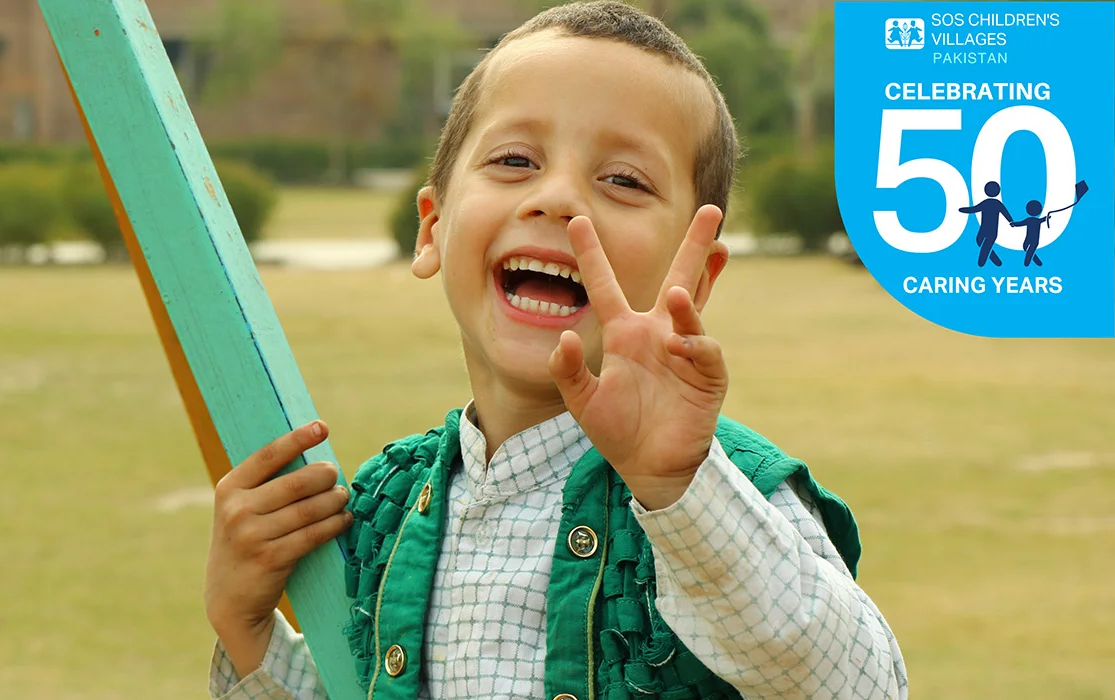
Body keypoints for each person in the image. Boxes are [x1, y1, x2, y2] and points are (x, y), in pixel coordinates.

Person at [204, 2, 909, 699]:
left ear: (692, 277)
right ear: (432, 228)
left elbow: (861, 687)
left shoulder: (721, 490)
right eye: (514, 160)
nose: (560, 197)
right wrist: (246, 627)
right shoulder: (387, 503)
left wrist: (679, 486)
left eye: (623, 180)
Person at [960, 181, 1009, 267]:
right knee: (981, 242)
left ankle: (982, 262)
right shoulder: (996, 204)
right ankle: (995, 260)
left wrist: (964, 210)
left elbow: (973, 209)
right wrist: (1011, 221)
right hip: (990, 230)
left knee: (983, 243)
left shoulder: (987, 203)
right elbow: (1006, 213)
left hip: (986, 229)